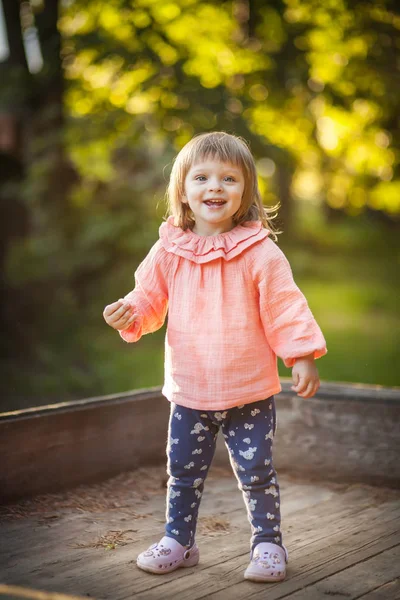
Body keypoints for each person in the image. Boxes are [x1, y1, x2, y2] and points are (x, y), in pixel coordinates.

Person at [103, 131, 327, 583]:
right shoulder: (168, 250)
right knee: (182, 473)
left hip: (249, 392)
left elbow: (285, 305)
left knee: (257, 472)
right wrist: (129, 313)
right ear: (183, 190)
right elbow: (148, 300)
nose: (215, 188)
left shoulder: (259, 252)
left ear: (245, 191)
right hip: (190, 391)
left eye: (228, 178)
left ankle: (267, 544)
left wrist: (301, 353)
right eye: (202, 177)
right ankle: (179, 541)